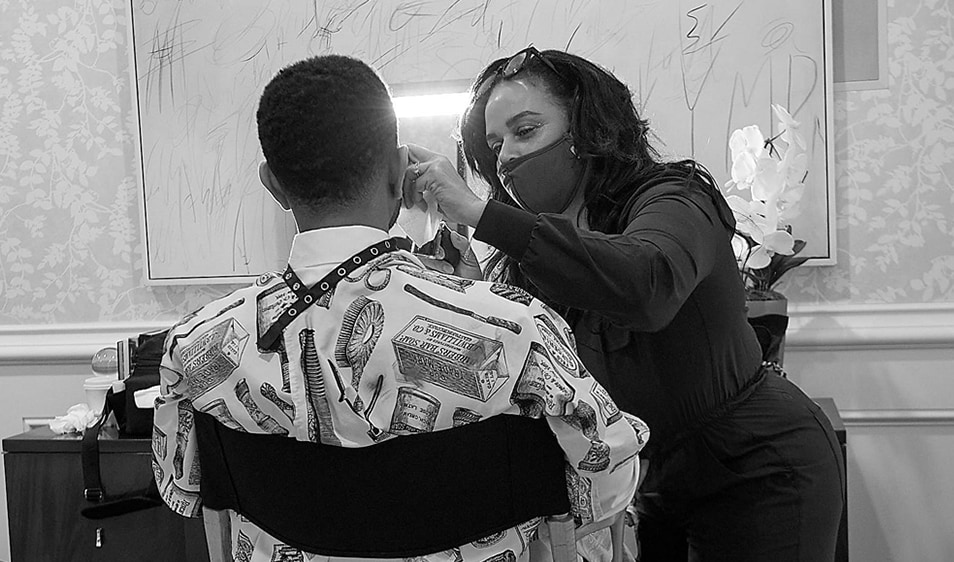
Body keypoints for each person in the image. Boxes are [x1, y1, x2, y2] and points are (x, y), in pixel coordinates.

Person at [152, 54, 648, 562]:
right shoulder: (519, 331)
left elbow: (182, 487)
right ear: (397, 169)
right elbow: (606, 484)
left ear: (272, 184)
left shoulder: (193, 349)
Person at [403, 47, 846, 561]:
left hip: (762, 469)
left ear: (588, 128)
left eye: (525, 131)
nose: (506, 159)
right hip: (654, 489)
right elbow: (535, 377)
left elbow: (645, 285)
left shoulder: (676, 198)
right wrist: (473, 292)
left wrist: (479, 213)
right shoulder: (535, 260)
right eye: (496, 145)